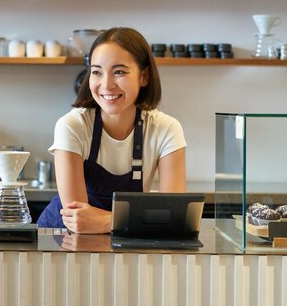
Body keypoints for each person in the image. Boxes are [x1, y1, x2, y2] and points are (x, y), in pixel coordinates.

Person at [36, 27, 186, 234]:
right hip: (62, 243)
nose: (106, 85)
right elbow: (79, 220)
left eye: (120, 72)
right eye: (97, 72)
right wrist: (141, 219)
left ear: (144, 77)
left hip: (126, 242)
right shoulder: (72, 126)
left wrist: (108, 221)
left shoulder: (166, 129)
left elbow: (174, 217)